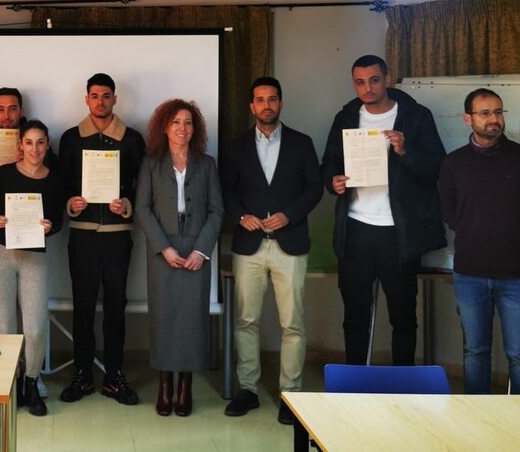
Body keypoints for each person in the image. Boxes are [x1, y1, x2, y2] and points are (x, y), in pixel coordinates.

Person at [321, 55, 445, 366]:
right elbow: (329, 164)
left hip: (399, 233)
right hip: (356, 229)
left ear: (386, 79)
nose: (367, 88)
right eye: (360, 82)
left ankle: (402, 385)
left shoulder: (415, 116)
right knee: (355, 315)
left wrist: (405, 151)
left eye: (374, 80)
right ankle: (355, 384)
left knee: (403, 316)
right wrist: (332, 182)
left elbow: (438, 168)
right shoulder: (346, 117)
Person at [220, 77, 322, 424]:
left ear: (281, 103)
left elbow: (314, 188)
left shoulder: (301, 143)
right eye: (260, 100)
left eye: (273, 99)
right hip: (249, 246)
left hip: (289, 244)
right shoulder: (235, 147)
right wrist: (240, 216)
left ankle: (290, 395)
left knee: (292, 323)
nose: (267, 105)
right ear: (251, 106)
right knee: (246, 320)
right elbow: (227, 191)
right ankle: (248, 389)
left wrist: (289, 215)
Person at [58, 73, 146, 406]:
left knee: (115, 306)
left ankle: (114, 375)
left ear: (115, 99)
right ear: (86, 99)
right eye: (94, 96)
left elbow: (144, 186)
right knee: (82, 306)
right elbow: (61, 183)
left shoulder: (133, 139)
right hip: (81, 236)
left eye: (106, 96)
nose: (100, 102)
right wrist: (71, 203)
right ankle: (82, 374)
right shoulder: (70, 139)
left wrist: (128, 205)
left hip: (117, 236)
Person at [135, 99, 223, 417]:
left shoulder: (207, 164)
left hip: (196, 246)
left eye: (187, 122)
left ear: (194, 128)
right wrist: (165, 247)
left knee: (192, 320)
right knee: (164, 317)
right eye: (175, 122)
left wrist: (201, 250)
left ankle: (185, 387)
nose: (182, 128)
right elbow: (142, 209)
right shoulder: (151, 163)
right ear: (165, 127)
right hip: (163, 249)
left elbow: (217, 210)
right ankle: (164, 386)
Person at [0, 120, 66, 416]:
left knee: (35, 326)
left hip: (32, 256)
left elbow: (58, 220)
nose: (35, 149)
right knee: (5, 326)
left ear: (48, 144)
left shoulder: (54, 179)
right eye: (29, 142)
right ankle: (12, 382)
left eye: (40, 142)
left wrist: (50, 225)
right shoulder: (3, 174)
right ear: (20, 146)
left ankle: (31, 381)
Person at [438, 88, 520, 394]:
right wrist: (476, 231)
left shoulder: (518, 157)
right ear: (467, 118)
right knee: (475, 353)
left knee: (519, 356)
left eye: (498, 112)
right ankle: (477, 422)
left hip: (516, 275)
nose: (493, 120)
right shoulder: (453, 163)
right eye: (485, 113)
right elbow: (449, 212)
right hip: (470, 274)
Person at [0, 87, 56, 180]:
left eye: (12, 109)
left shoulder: (38, 141)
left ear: (21, 112)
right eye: (1, 109)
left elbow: (54, 175)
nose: (6, 116)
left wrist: (32, 160)